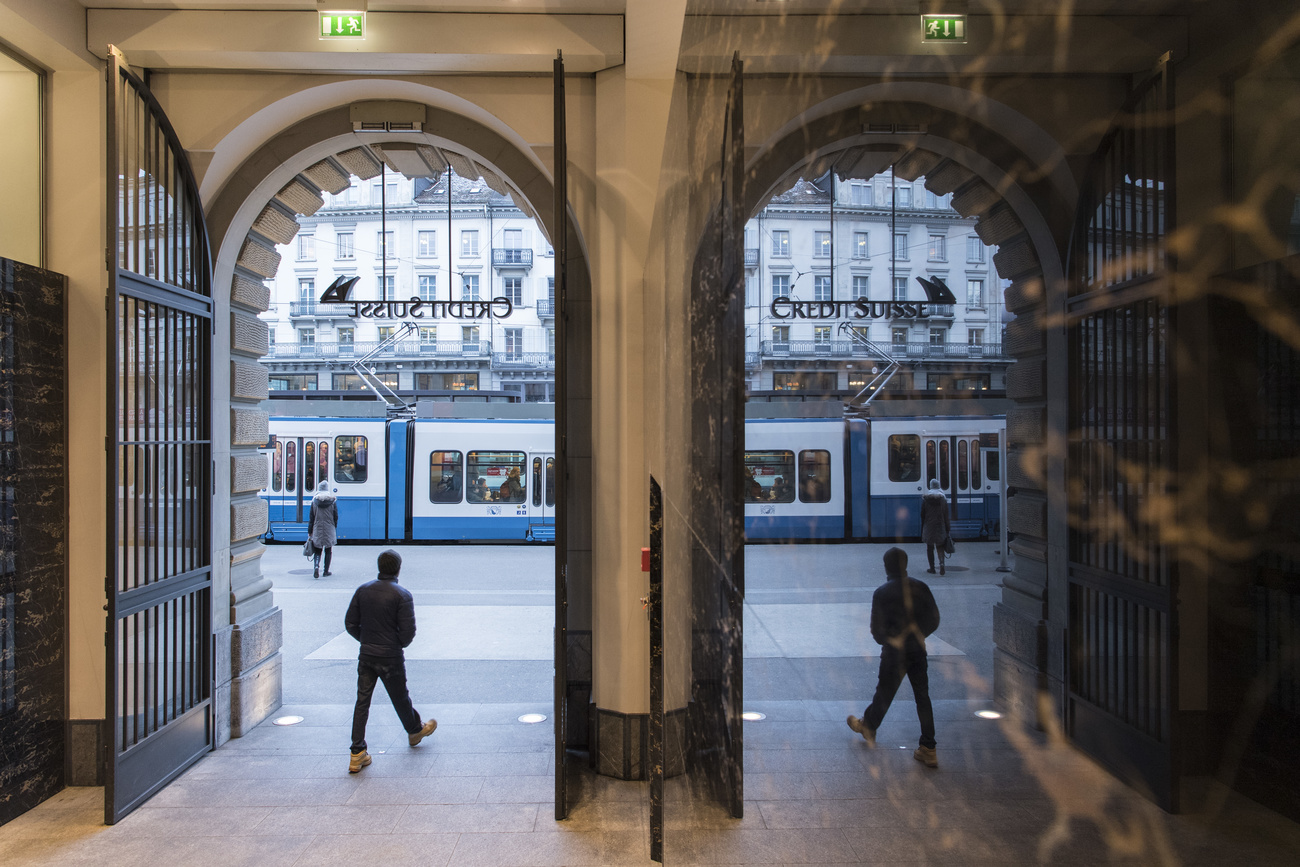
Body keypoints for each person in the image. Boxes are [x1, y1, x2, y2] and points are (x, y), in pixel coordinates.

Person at [344, 549, 437, 773]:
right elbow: (408, 632)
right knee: (400, 697)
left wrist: (366, 641)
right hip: (391, 657)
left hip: (367, 655)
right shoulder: (402, 595)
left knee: (362, 702)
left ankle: (357, 753)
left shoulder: (362, 590)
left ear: (379, 567)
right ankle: (414, 730)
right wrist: (395, 644)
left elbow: (350, 623)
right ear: (398, 569)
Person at [847, 547, 941, 768]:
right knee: (922, 697)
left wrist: (892, 640)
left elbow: (876, 632)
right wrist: (918, 635)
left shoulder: (882, 593)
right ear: (905, 565)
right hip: (917, 651)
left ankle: (869, 726)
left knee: (884, 693)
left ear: (886, 567)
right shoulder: (921, 587)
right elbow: (934, 619)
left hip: (893, 654)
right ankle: (929, 748)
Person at [921, 478, 951, 576]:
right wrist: (948, 528)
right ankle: (941, 564)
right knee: (940, 546)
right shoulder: (943, 500)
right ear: (938, 486)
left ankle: (932, 568)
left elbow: (922, 514)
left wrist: (923, 526)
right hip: (940, 525)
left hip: (929, 526)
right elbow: (946, 516)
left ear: (930, 486)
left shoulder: (926, 500)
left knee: (930, 547)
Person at [307, 480, 337, 579]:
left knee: (317, 550)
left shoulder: (314, 502)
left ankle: (316, 567)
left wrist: (310, 531)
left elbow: (311, 518)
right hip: (329, 528)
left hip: (317, 527)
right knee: (328, 550)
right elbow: (335, 516)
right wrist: (334, 526)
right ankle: (326, 571)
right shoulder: (332, 502)